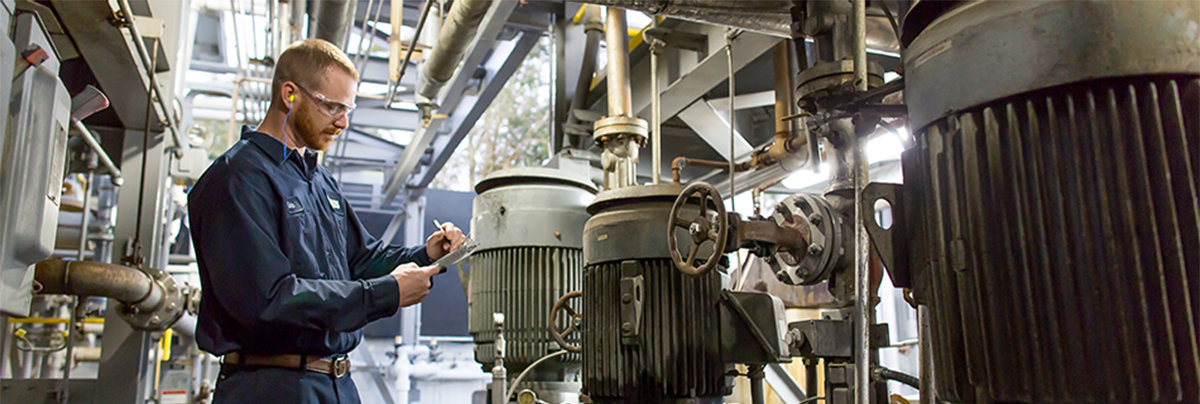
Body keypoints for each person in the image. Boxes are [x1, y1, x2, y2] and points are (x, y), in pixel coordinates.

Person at [187, 38, 466, 404]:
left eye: (347, 108)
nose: (343, 122)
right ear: (290, 94)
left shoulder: (318, 181)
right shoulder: (238, 178)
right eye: (332, 106)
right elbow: (269, 300)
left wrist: (425, 254)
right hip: (270, 387)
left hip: (335, 383)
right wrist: (386, 293)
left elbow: (360, 261)